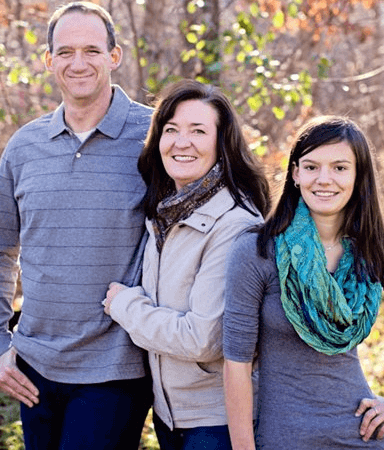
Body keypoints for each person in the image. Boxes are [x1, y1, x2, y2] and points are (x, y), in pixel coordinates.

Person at [0, 2, 154, 449]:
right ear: (49, 60)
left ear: (114, 56)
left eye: (92, 50)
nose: (79, 63)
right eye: (66, 51)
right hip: (33, 367)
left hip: (115, 369)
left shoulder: (155, 137)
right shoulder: (24, 146)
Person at [223, 116, 384, 449]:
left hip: (361, 436)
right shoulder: (258, 251)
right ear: (295, 173)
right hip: (285, 439)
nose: (324, 179)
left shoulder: (373, 250)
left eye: (340, 168)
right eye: (311, 167)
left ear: (358, 176)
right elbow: (236, 364)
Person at [102, 79, 270, 450]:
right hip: (170, 415)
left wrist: (124, 305)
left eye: (198, 131)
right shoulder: (165, 212)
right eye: (171, 129)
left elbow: (203, 339)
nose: (182, 142)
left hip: (216, 422)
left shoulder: (234, 224)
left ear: (221, 144)